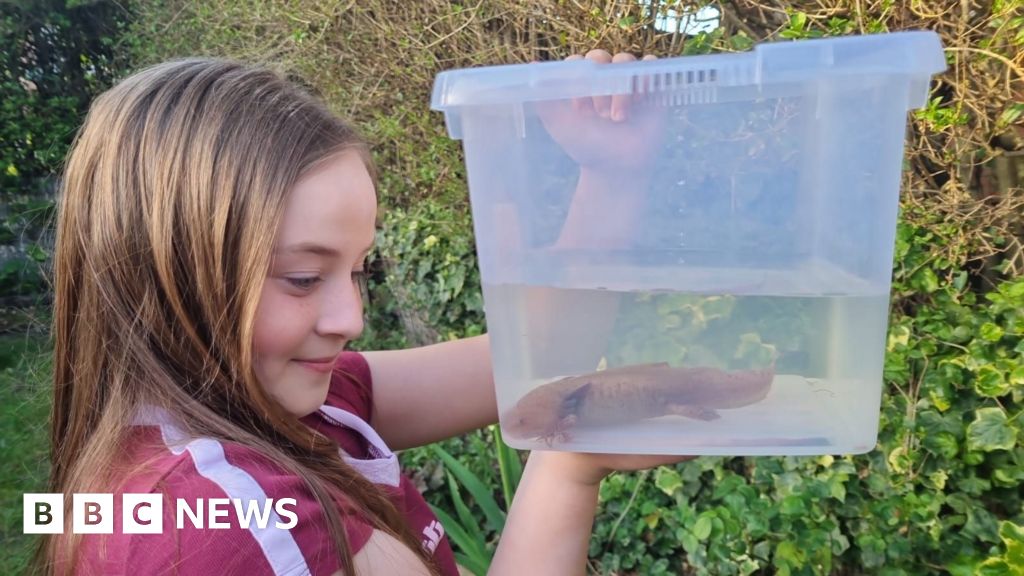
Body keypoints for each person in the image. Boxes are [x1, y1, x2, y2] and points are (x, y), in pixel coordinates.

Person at [35, 49, 686, 576]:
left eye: (359, 269)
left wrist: (611, 175)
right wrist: (567, 468)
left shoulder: (284, 402)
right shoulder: (229, 529)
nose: (350, 317)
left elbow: (538, 355)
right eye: (303, 277)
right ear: (163, 272)